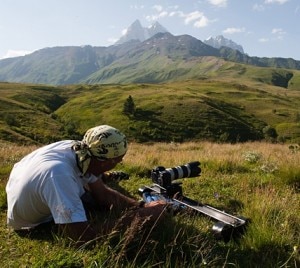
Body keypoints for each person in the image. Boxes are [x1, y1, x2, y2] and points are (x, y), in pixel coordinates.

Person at [6, 125, 166, 245]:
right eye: (118, 160)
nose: (119, 163)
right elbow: (82, 237)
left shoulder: (81, 150)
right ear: (106, 162)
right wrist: (141, 217)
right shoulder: (60, 175)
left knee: (92, 195)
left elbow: (103, 195)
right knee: (87, 202)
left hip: (23, 186)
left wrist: (142, 206)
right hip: (30, 224)